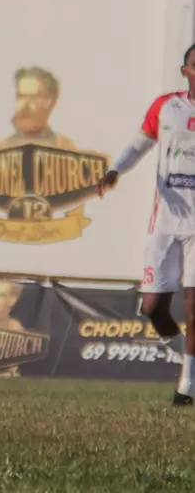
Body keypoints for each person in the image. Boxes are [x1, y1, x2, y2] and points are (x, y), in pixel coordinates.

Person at [97, 44, 195, 405]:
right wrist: (115, 170)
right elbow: (140, 144)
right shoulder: (166, 106)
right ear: (184, 70)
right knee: (153, 306)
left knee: (192, 307)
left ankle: (186, 389)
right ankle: (191, 365)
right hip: (166, 222)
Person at [0, 67, 79, 150]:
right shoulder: (0, 149)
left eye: (33, 97)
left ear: (48, 101)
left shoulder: (65, 148)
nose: (24, 105)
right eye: (21, 96)